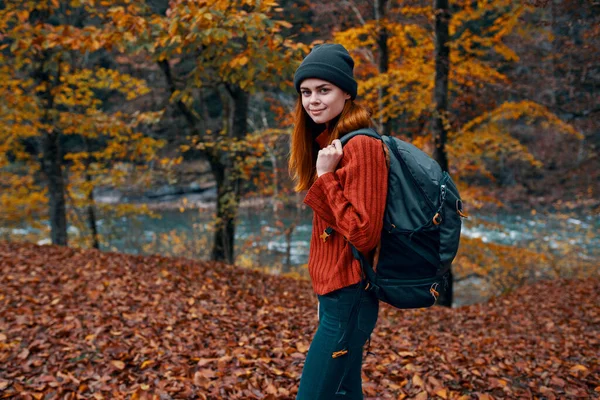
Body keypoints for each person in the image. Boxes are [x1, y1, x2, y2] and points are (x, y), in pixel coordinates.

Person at [288, 43, 389, 399]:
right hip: (336, 296)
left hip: (349, 298)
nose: (313, 100)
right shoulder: (329, 142)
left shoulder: (361, 146)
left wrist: (326, 177)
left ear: (347, 92)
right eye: (306, 92)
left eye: (324, 90)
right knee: (345, 395)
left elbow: (363, 233)